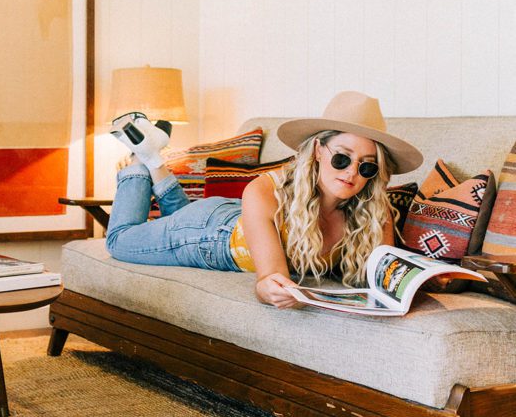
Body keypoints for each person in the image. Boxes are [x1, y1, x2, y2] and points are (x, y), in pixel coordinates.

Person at [106, 91, 423, 309]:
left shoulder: (373, 211)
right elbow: (268, 279)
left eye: (366, 165)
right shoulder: (264, 191)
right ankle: (140, 159)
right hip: (208, 235)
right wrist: (271, 290)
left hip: (233, 216)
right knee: (119, 242)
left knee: (181, 213)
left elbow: (388, 277)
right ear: (317, 150)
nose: (352, 172)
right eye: (342, 158)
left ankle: (154, 156)